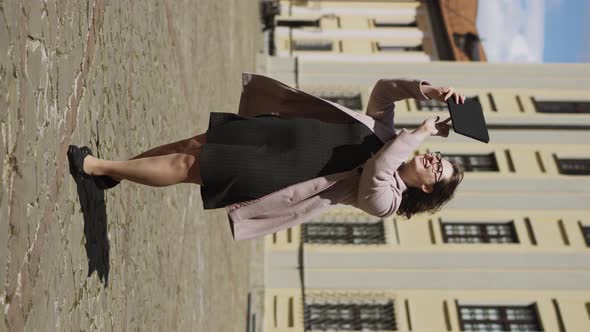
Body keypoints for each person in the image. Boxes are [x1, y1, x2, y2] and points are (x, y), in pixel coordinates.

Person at [68, 73, 466, 240]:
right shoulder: (386, 132)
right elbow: (383, 90)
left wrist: (419, 135)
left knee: (190, 167)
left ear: (428, 188)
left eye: (438, 169)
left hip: (278, 171)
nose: (433, 160)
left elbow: (380, 169)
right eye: (438, 157)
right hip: (278, 134)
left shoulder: (388, 202)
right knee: (193, 146)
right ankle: (117, 171)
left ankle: (96, 167)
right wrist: (428, 92)